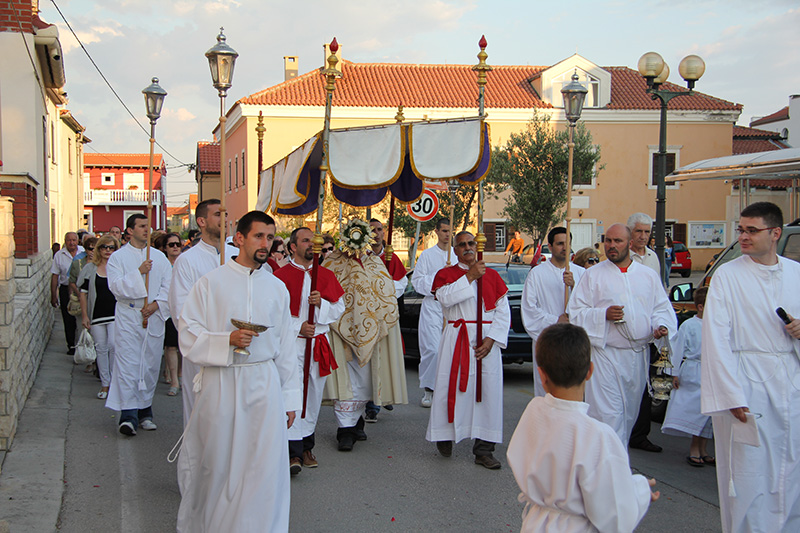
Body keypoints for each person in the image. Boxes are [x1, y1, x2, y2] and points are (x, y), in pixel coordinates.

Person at [176, 210, 301, 533]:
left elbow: (286, 346)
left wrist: (290, 397)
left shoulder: (276, 288)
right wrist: (225, 341)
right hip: (222, 381)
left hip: (264, 383)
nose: (266, 244)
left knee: (263, 467)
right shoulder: (211, 284)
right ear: (239, 239)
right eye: (259, 236)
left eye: (270, 237)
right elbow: (187, 334)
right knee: (218, 464)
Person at [701, 202, 800, 533]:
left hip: (791, 381)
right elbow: (715, 337)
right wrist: (730, 393)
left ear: (775, 234)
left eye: (751, 230)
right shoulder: (727, 275)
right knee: (748, 473)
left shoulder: (797, 273)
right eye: (740, 229)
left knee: (790, 468)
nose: (742, 236)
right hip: (747, 384)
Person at [507, 323, 659, 532]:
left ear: (541, 375)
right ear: (590, 370)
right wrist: (638, 490)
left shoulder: (534, 412)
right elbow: (615, 516)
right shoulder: (598, 436)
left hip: (535, 523)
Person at [568, 223, 676, 445]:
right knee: (608, 416)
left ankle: (617, 465)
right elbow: (575, 312)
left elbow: (660, 308)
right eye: (608, 240)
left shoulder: (647, 276)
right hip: (605, 356)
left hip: (637, 355)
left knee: (628, 416)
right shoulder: (593, 276)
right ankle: (608, 472)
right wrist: (602, 314)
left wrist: (661, 326)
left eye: (617, 241)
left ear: (629, 243)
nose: (611, 246)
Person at [427, 230, 510, 469]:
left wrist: (492, 339)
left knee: (488, 393)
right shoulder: (446, 274)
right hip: (457, 338)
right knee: (450, 387)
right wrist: (471, 277)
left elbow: (503, 312)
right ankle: (445, 434)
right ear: (455, 250)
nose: (467, 247)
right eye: (461, 244)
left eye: (471, 243)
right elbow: (445, 299)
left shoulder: (492, 276)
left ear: (477, 245)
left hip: (486, 342)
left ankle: (484, 449)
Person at [323, 218, 407, 451]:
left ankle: (358, 423)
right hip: (342, 331)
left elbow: (389, 290)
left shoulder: (376, 263)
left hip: (371, 329)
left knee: (367, 379)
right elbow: (325, 290)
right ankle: (344, 431)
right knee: (346, 381)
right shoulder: (332, 263)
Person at [274, 227, 345, 474]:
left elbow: (339, 309)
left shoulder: (324, 275)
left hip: (317, 344)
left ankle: (306, 445)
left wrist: (321, 304)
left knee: (313, 395)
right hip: (291, 345)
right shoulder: (280, 276)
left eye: (315, 241)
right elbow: (273, 314)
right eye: (306, 240)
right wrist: (298, 326)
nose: (312, 245)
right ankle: (292, 450)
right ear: (292, 247)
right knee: (292, 394)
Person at [106, 214, 171, 436]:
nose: (147, 230)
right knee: (128, 364)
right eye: (142, 226)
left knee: (150, 364)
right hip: (128, 314)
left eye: (148, 226)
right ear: (130, 230)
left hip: (152, 315)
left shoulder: (160, 258)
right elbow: (115, 286)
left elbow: (169, 286)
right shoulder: (118, 258)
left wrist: (156, 305)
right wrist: (139, 273)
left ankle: (145, 410)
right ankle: (128, 414)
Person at [168, 199, 229, 427]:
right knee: (200, 410)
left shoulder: (237, 255)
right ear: (201, 221)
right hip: (204, 345)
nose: (224, 219)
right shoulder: (187, 261)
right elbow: (181, 310)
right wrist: (205, 339)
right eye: (218, 214)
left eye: (225, 214)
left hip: (236, 345)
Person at [522, 227, 585, 397]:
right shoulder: (537, 274)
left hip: (574, 341)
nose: (565, 248)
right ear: (549, 246)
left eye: (568, 243)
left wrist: (574, 286)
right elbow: (529, 309)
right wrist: (555, 320)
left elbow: (589, 305)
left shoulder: (581, 274)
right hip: (548, 340)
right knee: (547, 392)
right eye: (560, 244)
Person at [662, 286, 714, 467]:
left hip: (712, 371)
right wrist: (674, 373)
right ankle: (694, 448)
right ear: (700, 306)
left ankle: (704, 449)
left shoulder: (717, 323)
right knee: (696, 410)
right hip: (694, 370)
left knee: (709, 412)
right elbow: (678, 349)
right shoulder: (689, 325)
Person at [627, 213, 665, 453]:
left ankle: (641, 434)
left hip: (650, 332)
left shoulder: (652, 258)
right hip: (629, 330)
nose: (643, 236)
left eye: (647, 232)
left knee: (648, 384)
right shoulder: (622, 258)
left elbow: (658, 293)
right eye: (639, 232)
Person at [365, 218, 408, 422]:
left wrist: (384, 297)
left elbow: (401, 283)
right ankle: (369, 402)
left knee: (384, 359)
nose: (376, 233)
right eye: (371, 230)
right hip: (365, 315)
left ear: (384, 233)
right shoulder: (360, 256)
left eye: (379, 229)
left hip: (386, 315)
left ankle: (380, 399)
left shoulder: (392, 258)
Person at [411, 217, 453, 408]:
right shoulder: (427, 256)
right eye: (444, 231)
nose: (447, 235)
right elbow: (417, 281)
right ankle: (429, 389)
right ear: (436, 231)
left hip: (452, 307)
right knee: (432, 349)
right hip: (433, 306)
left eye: (450, 231)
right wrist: (439, 280)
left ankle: (446, 389)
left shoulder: (456, 255)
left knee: (451, 350)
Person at [78, 235, 119, 399]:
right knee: (101, 349)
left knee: (113, 345)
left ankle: (115, 384)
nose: (107, 251)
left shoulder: (118, 267)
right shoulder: (90, 268)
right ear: (98, 249)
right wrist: (85, 316)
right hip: (96, 315)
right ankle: (105, 385)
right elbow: (83, 293)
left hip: (116, 315)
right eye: (104, 247)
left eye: (111, 248)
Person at [50, 232, 84, 354]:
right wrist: (53, 295)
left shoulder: (83, 253)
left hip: (81, 289)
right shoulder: (59, 255)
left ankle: (82, 344)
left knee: (81, 317)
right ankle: (71, 345)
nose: (71, 243)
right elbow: (55, 276)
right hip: (65, 289)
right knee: (68, 317)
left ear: (78, 241)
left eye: (74, 240)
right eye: (69, 240)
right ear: (65, 241)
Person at [160, 232, 183, 396]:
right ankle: (174, 380)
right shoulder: (162, 264)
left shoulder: (185, 262)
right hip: (167, 309)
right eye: (171, 245)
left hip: (184, 308)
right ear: (165, 248)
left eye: (177, 244)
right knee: (171, 345)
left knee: (183, 346)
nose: (175, 247)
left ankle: (180, 373)